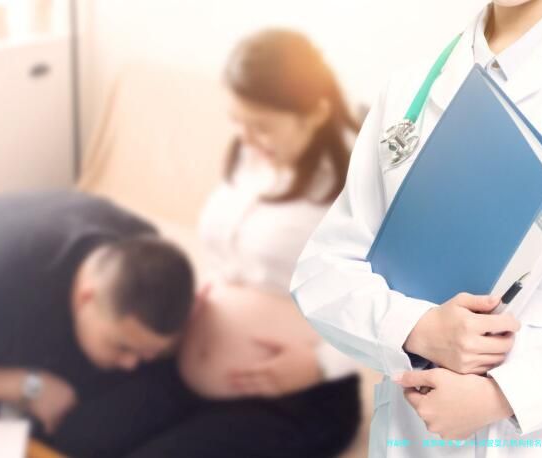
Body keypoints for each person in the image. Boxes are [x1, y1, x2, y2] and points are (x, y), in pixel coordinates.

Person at [291, 0, 542, 456]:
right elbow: (324, 271)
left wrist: (506, 395)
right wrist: (417, 329)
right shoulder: (410, 91)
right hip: (416, 438)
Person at [124, 29, 363, 457]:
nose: (245, 138)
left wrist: (321, 364)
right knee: (85, 432)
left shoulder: (357, 187)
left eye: (262, 126)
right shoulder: (250, 155)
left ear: (315, 114)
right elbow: (227, 259)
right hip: (193, 365)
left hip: (298, 398)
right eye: (237, 120)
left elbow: (403, 305)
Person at [0, 191, 196, 457]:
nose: (131, 363)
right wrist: (30, 386)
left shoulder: (142, 246)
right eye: (122, 347)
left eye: (147, 352)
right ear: (86, 297)